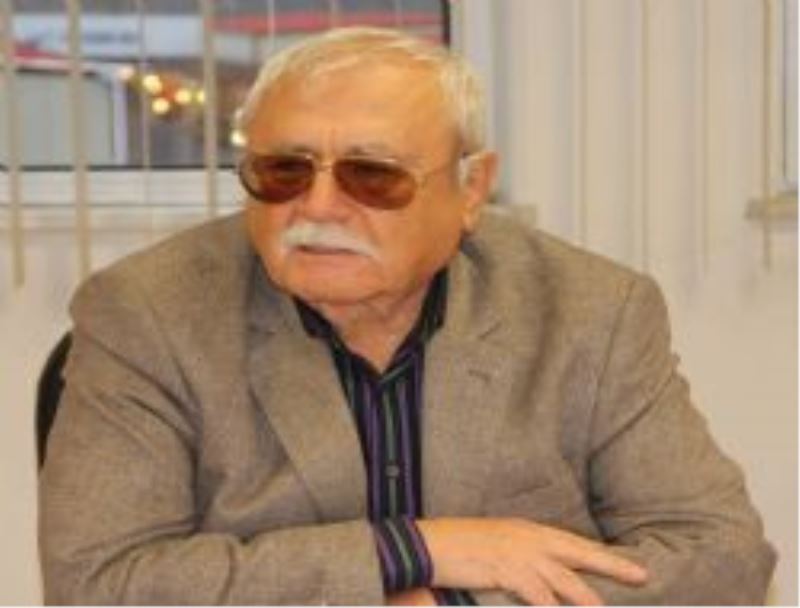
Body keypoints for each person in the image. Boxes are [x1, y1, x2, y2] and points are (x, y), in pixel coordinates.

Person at [39, 27, 775, 605]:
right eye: (284, 170)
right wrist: (415, 550)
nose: (319, 206)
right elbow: (98, 585)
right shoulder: (148, 314)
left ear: (471, 189)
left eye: (373, 175)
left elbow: (721, 557)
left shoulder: (590, 311)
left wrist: (457, 603)